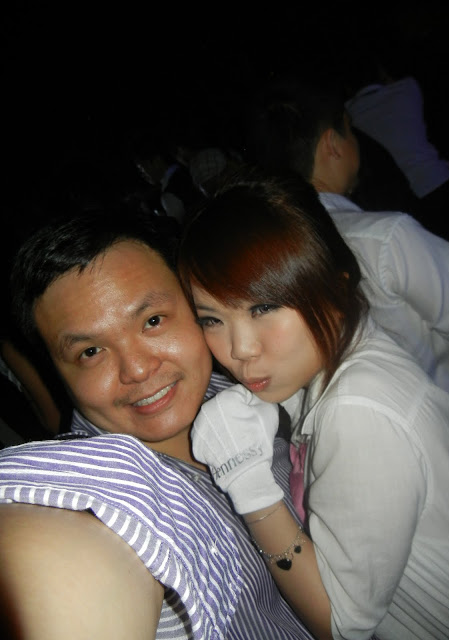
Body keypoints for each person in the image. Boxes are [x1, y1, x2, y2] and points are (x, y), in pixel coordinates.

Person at [177, 168, 449, 640]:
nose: (239, 350)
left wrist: (248, 483)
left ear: (336, 286)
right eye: (212, 319)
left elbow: (339, 623)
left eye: (263, 307)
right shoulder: (339, 366)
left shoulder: (357, 410)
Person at [0, 209, 315, 640]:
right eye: (90, 352)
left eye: (152, 321)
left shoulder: (240, 379)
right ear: (58, 374)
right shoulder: (107, 490)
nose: (137, 369)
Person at [242, 75, 449, 446]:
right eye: (350, 132)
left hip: (381, 438)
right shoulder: (384, 237)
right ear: (332, 144)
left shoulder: (271, 254)